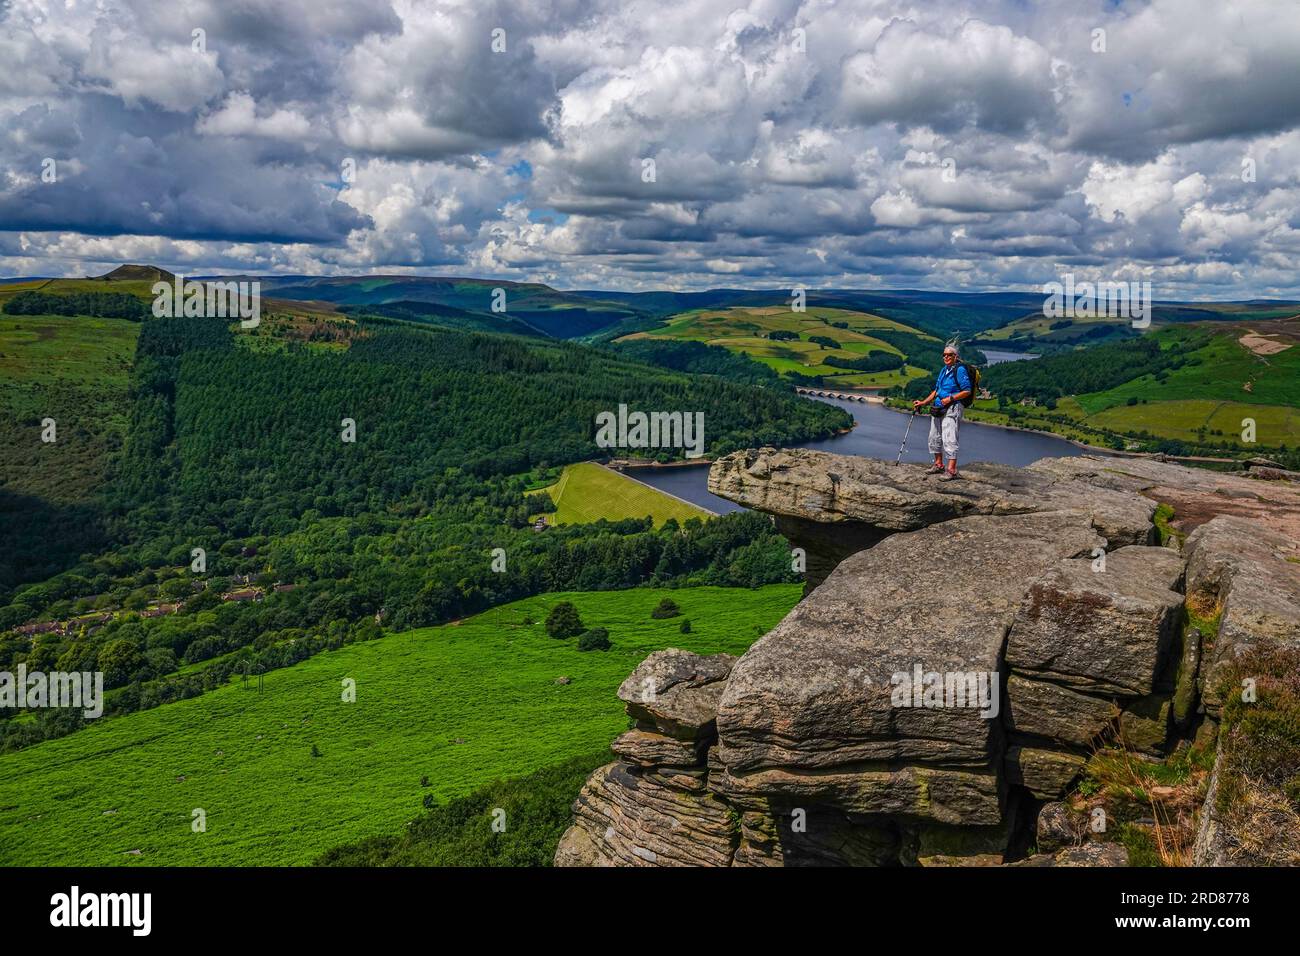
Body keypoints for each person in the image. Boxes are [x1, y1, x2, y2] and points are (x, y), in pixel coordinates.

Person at [912, 342, 971, 480]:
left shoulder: (960, 370)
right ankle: (938, 464)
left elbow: (967, 391)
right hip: (938, 407)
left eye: (949, 355)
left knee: (949, 437)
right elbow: (937, 390)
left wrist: (950, 398)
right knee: (934, 436)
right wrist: (923, 402)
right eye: (944, 355)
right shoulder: (944, 370)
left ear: (955, 356)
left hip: (953, 407)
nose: (946, 357)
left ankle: (951, 470)